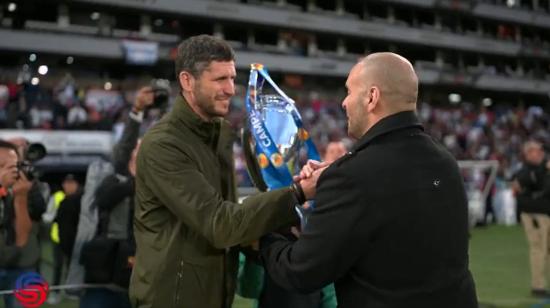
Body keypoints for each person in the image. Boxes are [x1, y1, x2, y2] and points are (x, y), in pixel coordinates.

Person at [260, 52, 478, 308]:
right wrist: (339, 176)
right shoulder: (445, 162)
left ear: (372, 97)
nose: (343, 102)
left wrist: (266, 232)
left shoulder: (353, 176)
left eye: (349, 91)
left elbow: (300, 271)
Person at [129, 34, 309, 308]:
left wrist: (275, 225)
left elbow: (228, 218)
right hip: (172, 299)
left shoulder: (221, 132)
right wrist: (296, 193)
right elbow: (220, 224)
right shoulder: (163, 145)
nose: (230, 89)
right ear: (187, 81)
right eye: (219, 79)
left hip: (215, 294)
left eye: (231, 78)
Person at [512, 140, 550, 297]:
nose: (540, 152)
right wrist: (544, 168)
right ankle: (538, 286)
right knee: (538, 249)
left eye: (541, 150)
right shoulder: (525, 170)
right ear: (528, 153)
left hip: (546, 213)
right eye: (536, 150)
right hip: (535, 214)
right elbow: (523, 183)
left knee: (546, 250)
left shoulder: (542, 169)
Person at [0, 140, 33, 308]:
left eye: (14, 166)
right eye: (2, 165)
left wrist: (21, 198)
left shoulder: (17, 190)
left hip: (15, 265)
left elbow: (22, 238)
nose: (12, 171)